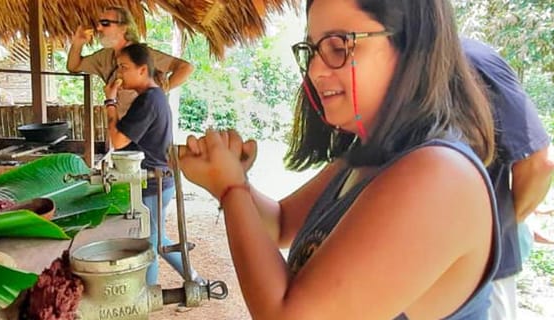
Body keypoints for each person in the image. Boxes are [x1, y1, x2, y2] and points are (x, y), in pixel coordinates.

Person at [178, 0, 501, 318]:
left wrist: (232, 188)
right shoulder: (368, 157)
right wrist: (230, 180)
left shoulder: (439, 175)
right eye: (313, 50)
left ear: (409, 46)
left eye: (340, 46)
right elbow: (280, 224)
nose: (316, 70)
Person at [462, 38, 554, 320]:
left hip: (482, 272)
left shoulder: (470, 61)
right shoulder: (397, 67)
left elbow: (539, 163)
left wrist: (507, 222)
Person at [104, 43, 203, 286]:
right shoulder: (154, 97)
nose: (120, 73)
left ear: (142, 69)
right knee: (157, 240)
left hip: (152, 184)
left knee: (151, 244)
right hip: (157, 181)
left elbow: (116, 140)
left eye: (124, 67)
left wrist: (110, 102)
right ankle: (196, 281)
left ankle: (150, 297)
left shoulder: (148, 100)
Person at [67, 6, 194, 118]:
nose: (99, 28)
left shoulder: (142, 55)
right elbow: (74, 66)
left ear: (123, 28)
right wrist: (78, 43)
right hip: (124, 131)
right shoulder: (104, 56)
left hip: (146, 131)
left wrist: (158, 94)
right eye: (99, 23)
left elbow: (185, 68)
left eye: (105, 23)